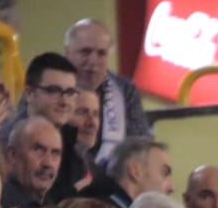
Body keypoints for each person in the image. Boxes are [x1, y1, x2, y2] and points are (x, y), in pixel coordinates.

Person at [62, 19, 153, 167]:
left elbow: (141, 149)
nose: (93, 61)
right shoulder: (47, 86)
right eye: (85, 52)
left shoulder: (125, 90)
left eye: (101, 54)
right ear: (67, 53)